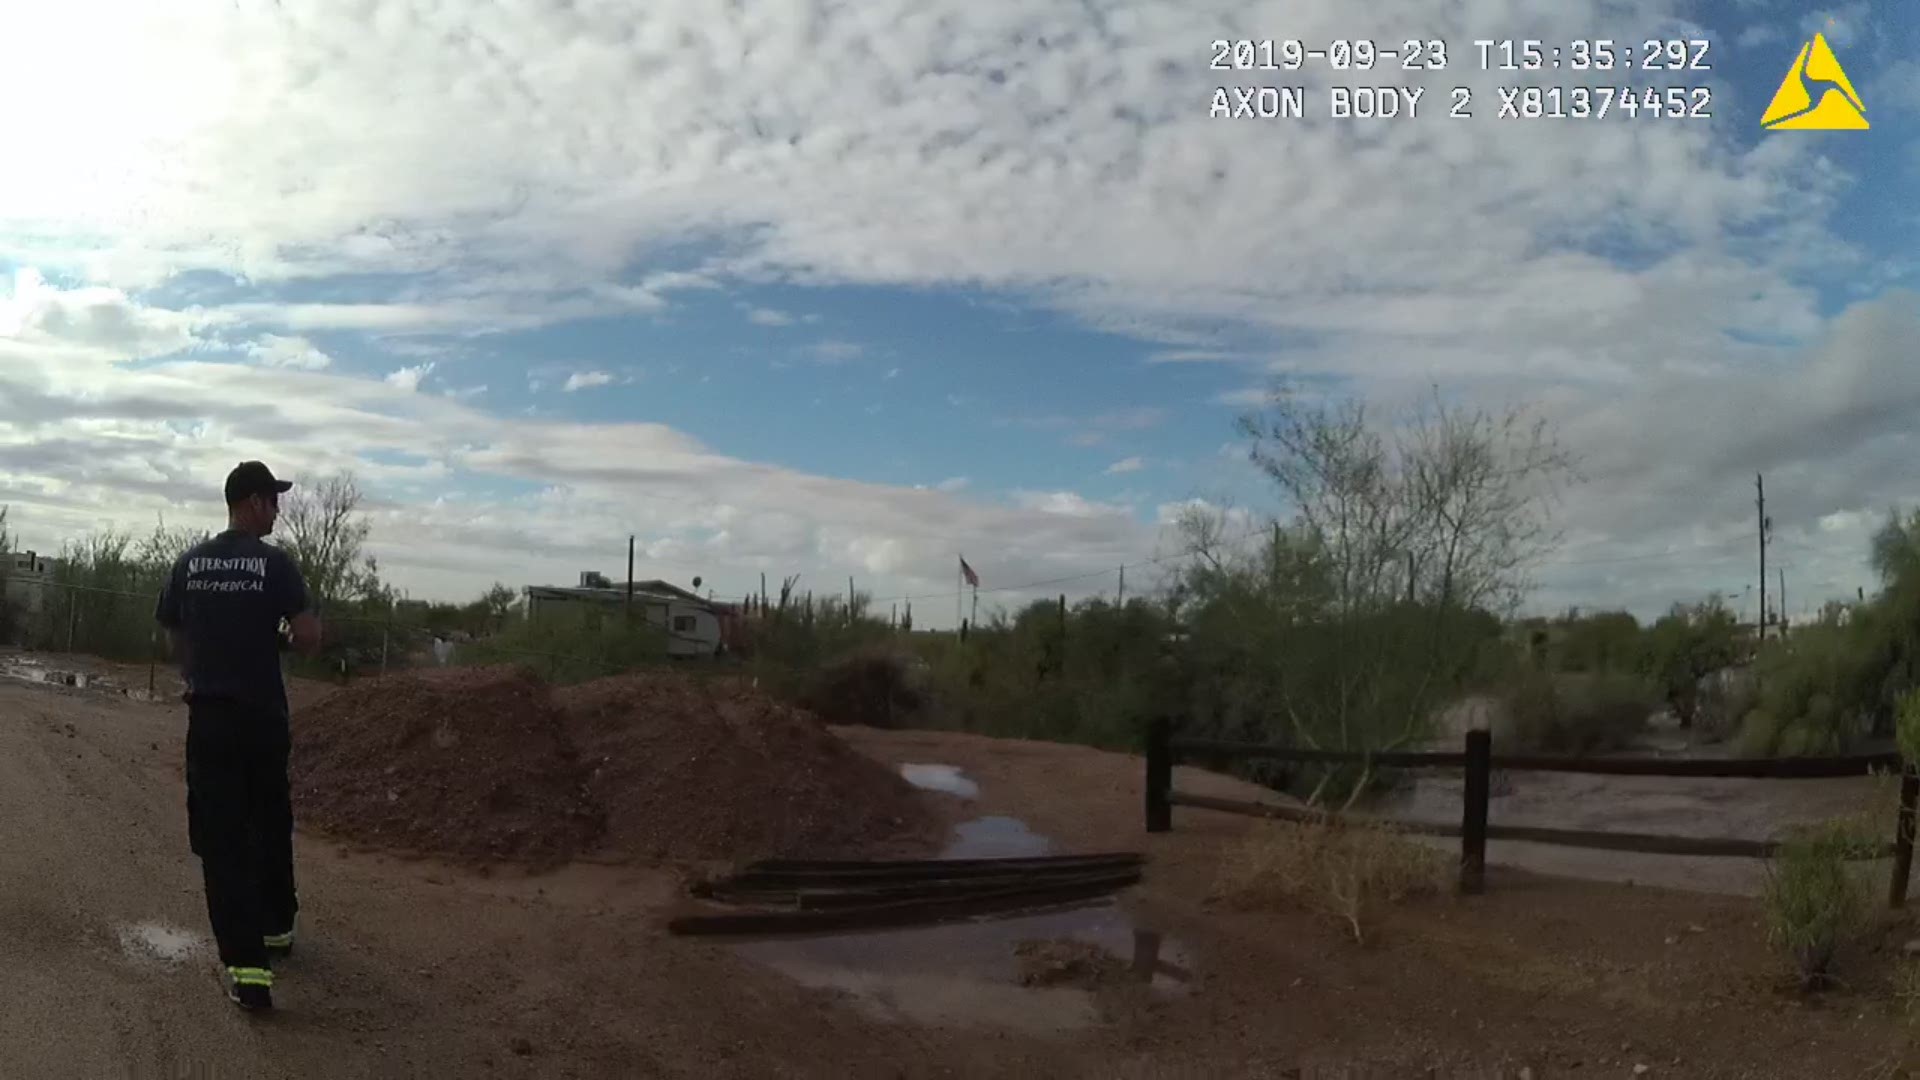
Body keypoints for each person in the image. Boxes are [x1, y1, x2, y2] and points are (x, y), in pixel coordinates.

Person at [155, 460, 322, 1012]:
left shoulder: (188, 564)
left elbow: (172, 636)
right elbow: (308, 637)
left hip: (211, 718)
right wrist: (275, 637)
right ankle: (276, 927)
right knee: (270, 818)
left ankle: (249, 969)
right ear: (251, 502)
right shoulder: (275, 566)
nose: (277, 510)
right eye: (273, 500)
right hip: (264, 719)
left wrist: (196, 672)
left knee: (223, 839)